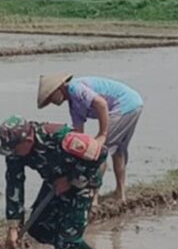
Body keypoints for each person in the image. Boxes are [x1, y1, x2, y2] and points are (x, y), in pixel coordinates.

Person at [0, 115, 105, 249]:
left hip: (81, 183)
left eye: (15, 149)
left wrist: (70, 180)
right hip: (53, 182)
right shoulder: (15, 152)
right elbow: (14, 184)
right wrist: (13, 226)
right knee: (38, 227)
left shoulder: (62, 137)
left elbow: (100, 152)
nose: (13, 154)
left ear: (28, 139)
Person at [37, 73, 143, 202]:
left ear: (59, 88)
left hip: (124, 105)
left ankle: (94, 198)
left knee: (98, 151)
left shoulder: (76, 89)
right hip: (134, 103)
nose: (52, 102)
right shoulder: (73, 105)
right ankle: (120, 193)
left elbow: (102, 104)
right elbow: (79, 132)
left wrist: (102, 134)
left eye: (50, 97)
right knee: (118, 150)